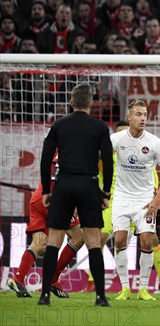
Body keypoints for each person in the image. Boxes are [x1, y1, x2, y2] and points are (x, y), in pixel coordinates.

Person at [38, 83, 113, 306]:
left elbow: (45, 159)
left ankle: (44, 295)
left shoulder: (59, 125)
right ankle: (100, 297)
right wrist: (106, 191)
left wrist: (46, 189)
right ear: (92, 103)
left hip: (64, 184)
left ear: (71, 103)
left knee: (54, 240)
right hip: (89, 184)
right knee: (93, 241)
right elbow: (107, 160)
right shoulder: (100, 127)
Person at [85, 120, 160, 294]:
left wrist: (156, 201)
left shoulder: (142, 154)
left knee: (152, 240)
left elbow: (154, 178)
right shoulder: (105, 157)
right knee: (100, 238)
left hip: (141, 201)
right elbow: (94, 175)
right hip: (112, 203)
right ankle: (92, 282)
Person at [111, 100, 160, 301]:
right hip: (121, 197)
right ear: (129, 117)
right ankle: (125, 289)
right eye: (138, 114)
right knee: (119, 241)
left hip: (145, 199)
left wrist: (156, 200)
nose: (143, 118)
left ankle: (143, 289)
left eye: (145, 114)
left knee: (147, 242)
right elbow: (97, 158)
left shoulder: (154, 142)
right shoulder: (116, 139)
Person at [8, 155, 84, 299]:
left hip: (38, 199)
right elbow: (61, 175)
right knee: (79, 236)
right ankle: (53, 280)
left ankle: (18, 279)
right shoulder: (70, 149)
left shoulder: (59, 144)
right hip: (55, 201)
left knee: (39, 243)